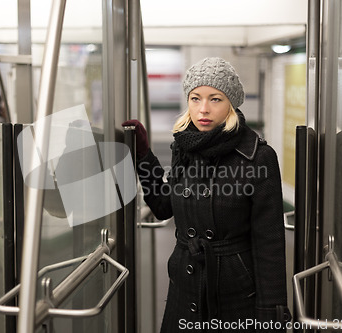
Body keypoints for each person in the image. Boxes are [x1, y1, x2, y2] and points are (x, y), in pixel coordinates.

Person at [123, 57, 290, 332]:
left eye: (215, 99)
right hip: (184, 286)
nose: (203, 109)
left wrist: (270, 315)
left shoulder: (258, 158)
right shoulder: (184, 147)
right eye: (195, 98)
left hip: (235, 295)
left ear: (231, 104)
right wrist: (143, 156)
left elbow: (269, 245)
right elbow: (165, 206)